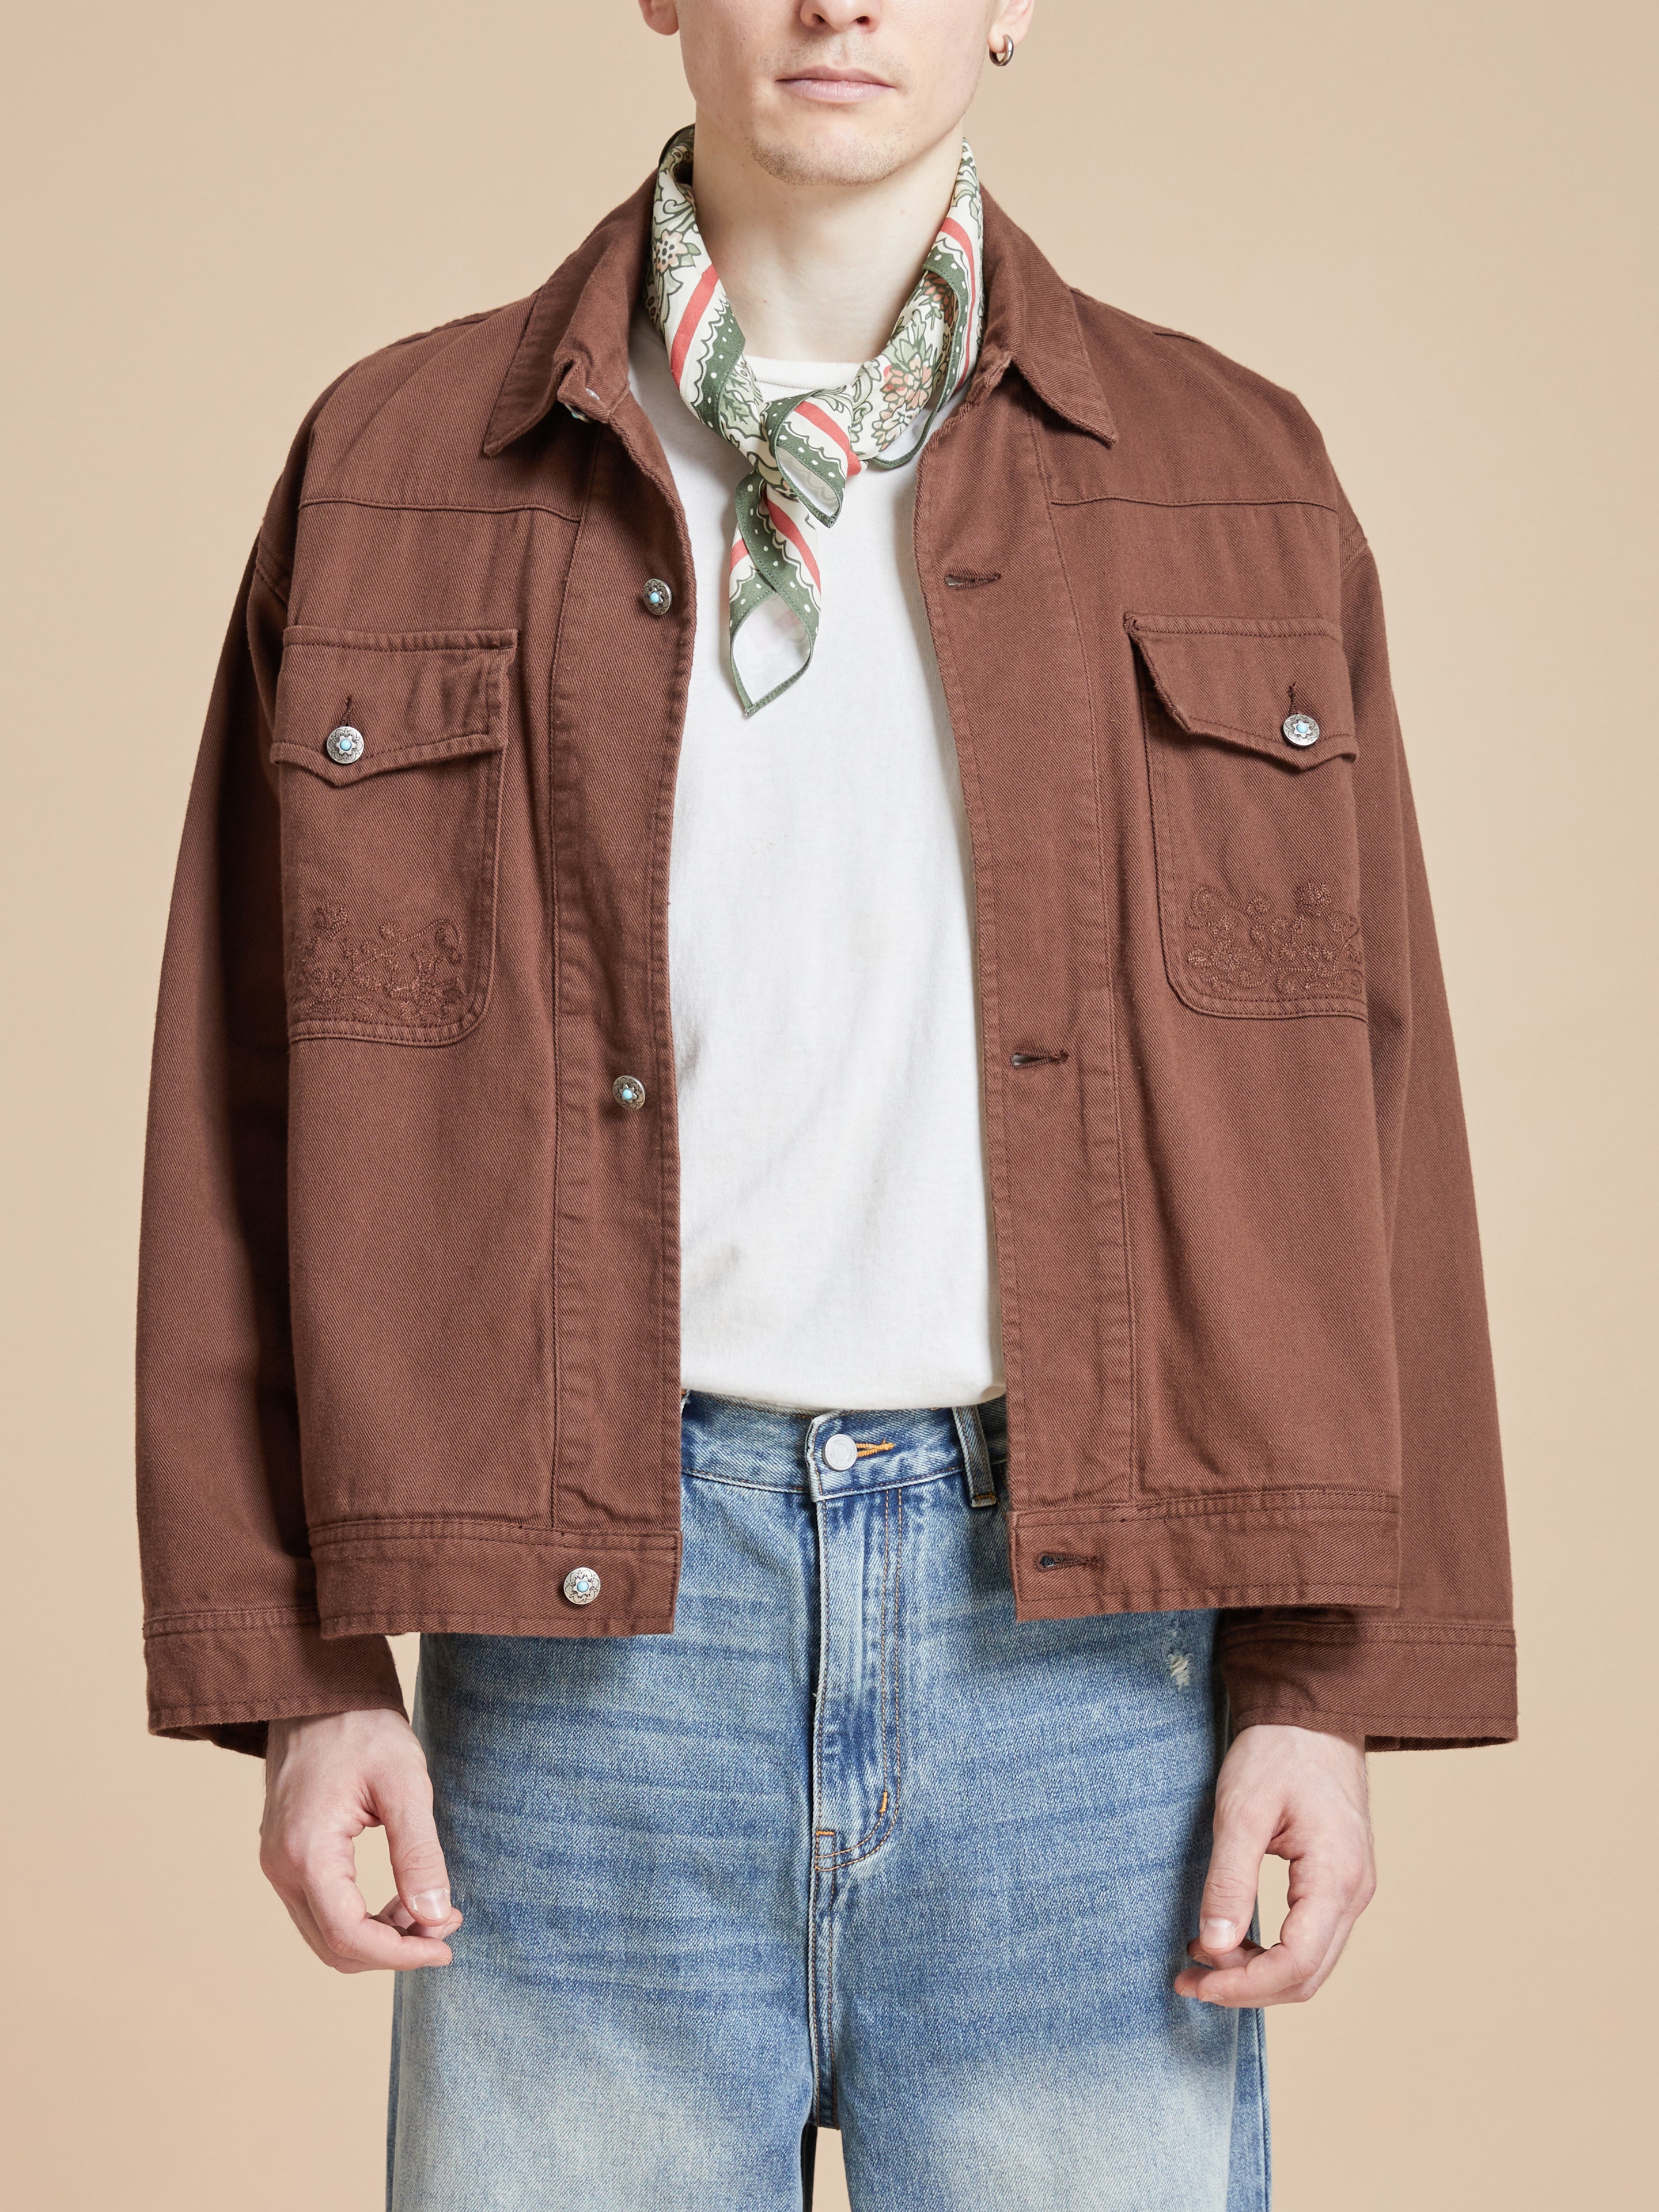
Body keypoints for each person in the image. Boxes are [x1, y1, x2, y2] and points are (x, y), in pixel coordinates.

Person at [134, 2, 1516, 2205]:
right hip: (583, 1691)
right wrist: (302, 1677)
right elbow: (232, 1101)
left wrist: (1320, 1685)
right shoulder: (394, 470)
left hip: (1088, 1685)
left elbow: (1375, 1105)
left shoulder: (1235, 479)